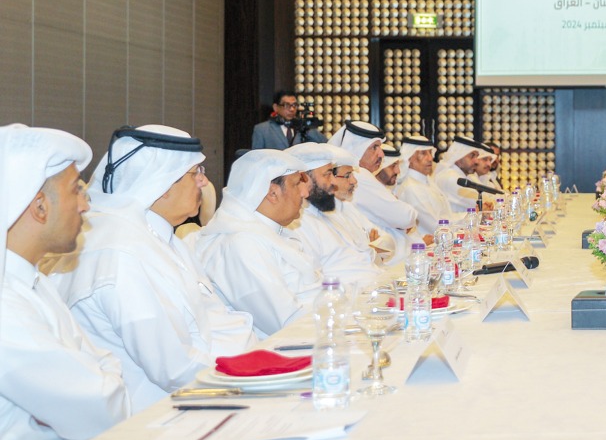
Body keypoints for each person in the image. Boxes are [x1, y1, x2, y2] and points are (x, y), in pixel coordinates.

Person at [51, 126, 256, 412]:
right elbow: (173, 368)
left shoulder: (160, 236)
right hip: (152, 417)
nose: (203, 181)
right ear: (162, 182)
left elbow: (214, 318)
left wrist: (255, 362)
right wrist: (254, 378)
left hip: (203, 391)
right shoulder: (119, 250)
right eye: (195, 172)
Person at [0, 125, 129, 440]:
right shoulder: (6, 305)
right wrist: (101, 381)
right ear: (39, 206)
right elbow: (102, 411)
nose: (86, 205)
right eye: (76, 190)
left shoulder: (32, 282)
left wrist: (100, 382)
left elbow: (106, 378)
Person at [195, 149, 321, 336]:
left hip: (314, 328)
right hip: (280, 349)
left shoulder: (268, 232)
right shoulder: (241, 244)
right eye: (296, 185)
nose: (304, 192)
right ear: (272, 193)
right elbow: (286, 322)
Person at [287, 142, 383, 288]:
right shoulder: (297, 225)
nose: (333, 182)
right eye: (327, 174)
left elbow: (367, 255)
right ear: (303, 178)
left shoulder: (326, 213)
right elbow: (315, 284)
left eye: (332, 174)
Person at [329, 121, 417, 250]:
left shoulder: (360, 175)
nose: (381, 154)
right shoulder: (359, 175)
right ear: (357, 148)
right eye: (374, 147)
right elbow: (406, 217)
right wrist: (403, 223)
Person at [396, 135, 460, 237]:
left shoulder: (427, 181)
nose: (430, 158)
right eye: (423, 153)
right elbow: (435, 225)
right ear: (409, 157)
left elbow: (446, 217)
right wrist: (465, 228)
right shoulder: (411, 188)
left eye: (430, 152)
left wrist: (469, 217)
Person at [434, 135, 495, 213]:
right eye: (472, 156)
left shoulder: (463, 176)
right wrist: (490, 204)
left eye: (477, 156)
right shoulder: (450, 177)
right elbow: (483, 203)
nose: (476, 161)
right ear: (458, 157)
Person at [250, 90, 326, 149]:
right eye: (287, 105)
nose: (292, 109)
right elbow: (256, 158)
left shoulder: (301, 126)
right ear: (276, 107)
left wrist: (307, 126)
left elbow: (325, 144)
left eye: (294, 105)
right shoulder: (262, 129)